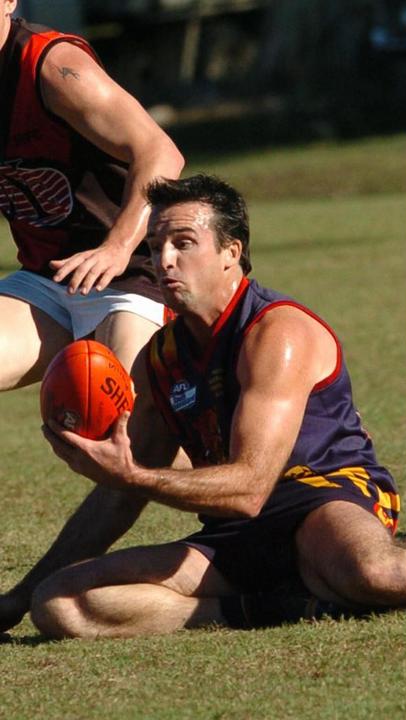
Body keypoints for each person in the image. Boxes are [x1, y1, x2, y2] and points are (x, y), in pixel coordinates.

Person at [18, 174, 406, 639]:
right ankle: (270, 607)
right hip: (236, 537)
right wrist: (17, 596)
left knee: (380, 577)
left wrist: (131, 476)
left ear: (232, 253)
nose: (164, 260)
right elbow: (122, 492)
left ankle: (383, 559)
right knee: (58, 602)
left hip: (323, 499)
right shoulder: (160, 357)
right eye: (155, 244)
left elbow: (249, 489)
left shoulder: (276, 333)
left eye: (184, 243)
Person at [0, 5, 185, 631]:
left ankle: (273, 482)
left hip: (131, 271)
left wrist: (116, 245)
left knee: (128, 437)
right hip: (48, 277)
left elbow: (161, 152)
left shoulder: (54, 65)